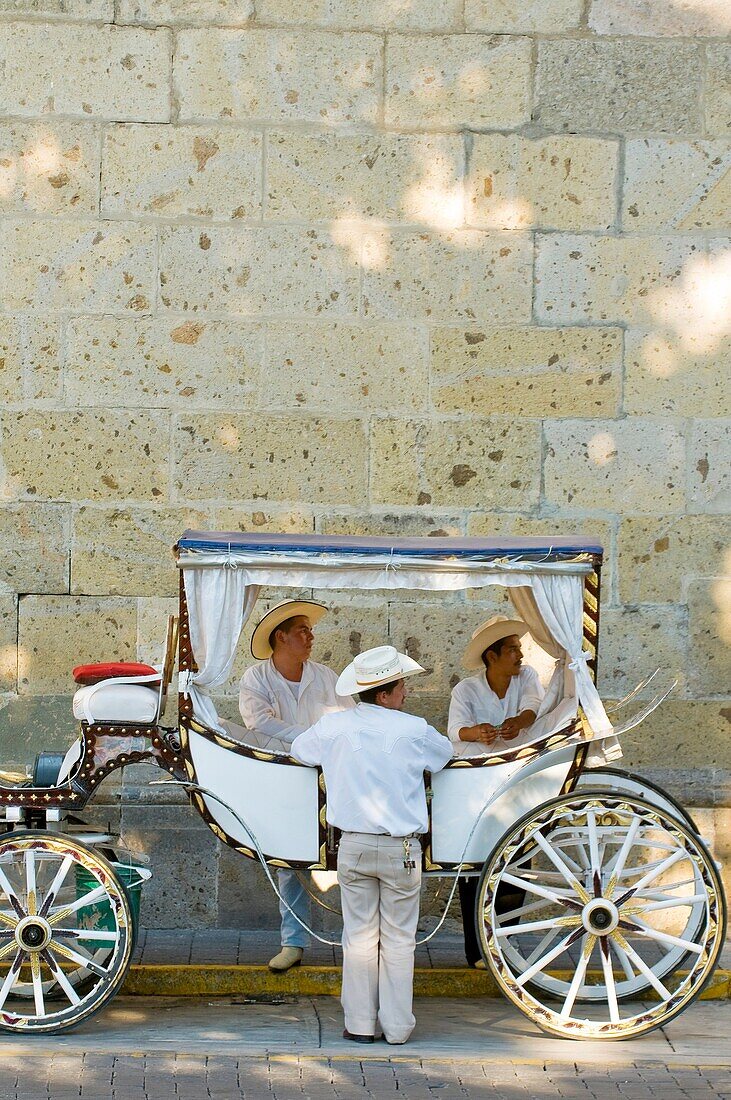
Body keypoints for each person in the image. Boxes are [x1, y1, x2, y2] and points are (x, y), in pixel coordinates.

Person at [291, 645, 453, 1045]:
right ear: (384, 693)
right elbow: (445, 755)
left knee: (359, 938)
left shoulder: (333, 727)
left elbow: (298, 751)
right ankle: (397, 1027)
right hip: (402, 850)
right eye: (401, 687)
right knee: (399, 939)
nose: (406, 694)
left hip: (354, 847)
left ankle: (361, 1023)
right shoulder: (414, 729)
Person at [239, 598, 354, 972]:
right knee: (289, 860)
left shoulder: (326, 676)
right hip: (282, 775)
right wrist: (310, 737)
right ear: (281, 638)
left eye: (309, 629)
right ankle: (293, 942)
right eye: (302, 630)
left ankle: (358, 940)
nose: (310, 636)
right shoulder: (256, 678)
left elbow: (348, 721)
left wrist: (322, 742)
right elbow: (259, 724)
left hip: (330, 774)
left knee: (349, 852)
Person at [448, 615, 544, 968]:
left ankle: (506, 946)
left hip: (518, 784)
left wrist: (517, 723)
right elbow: (456, 731)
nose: (520, 656)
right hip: (477, 789)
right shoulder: (466, 691)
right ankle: (478, 951)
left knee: (517, 863)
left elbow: (533, 709)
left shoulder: (528, 678)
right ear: (492, 657)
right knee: (474, 866)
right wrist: (479, 733)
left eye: (519, 649)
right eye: (512, 650)